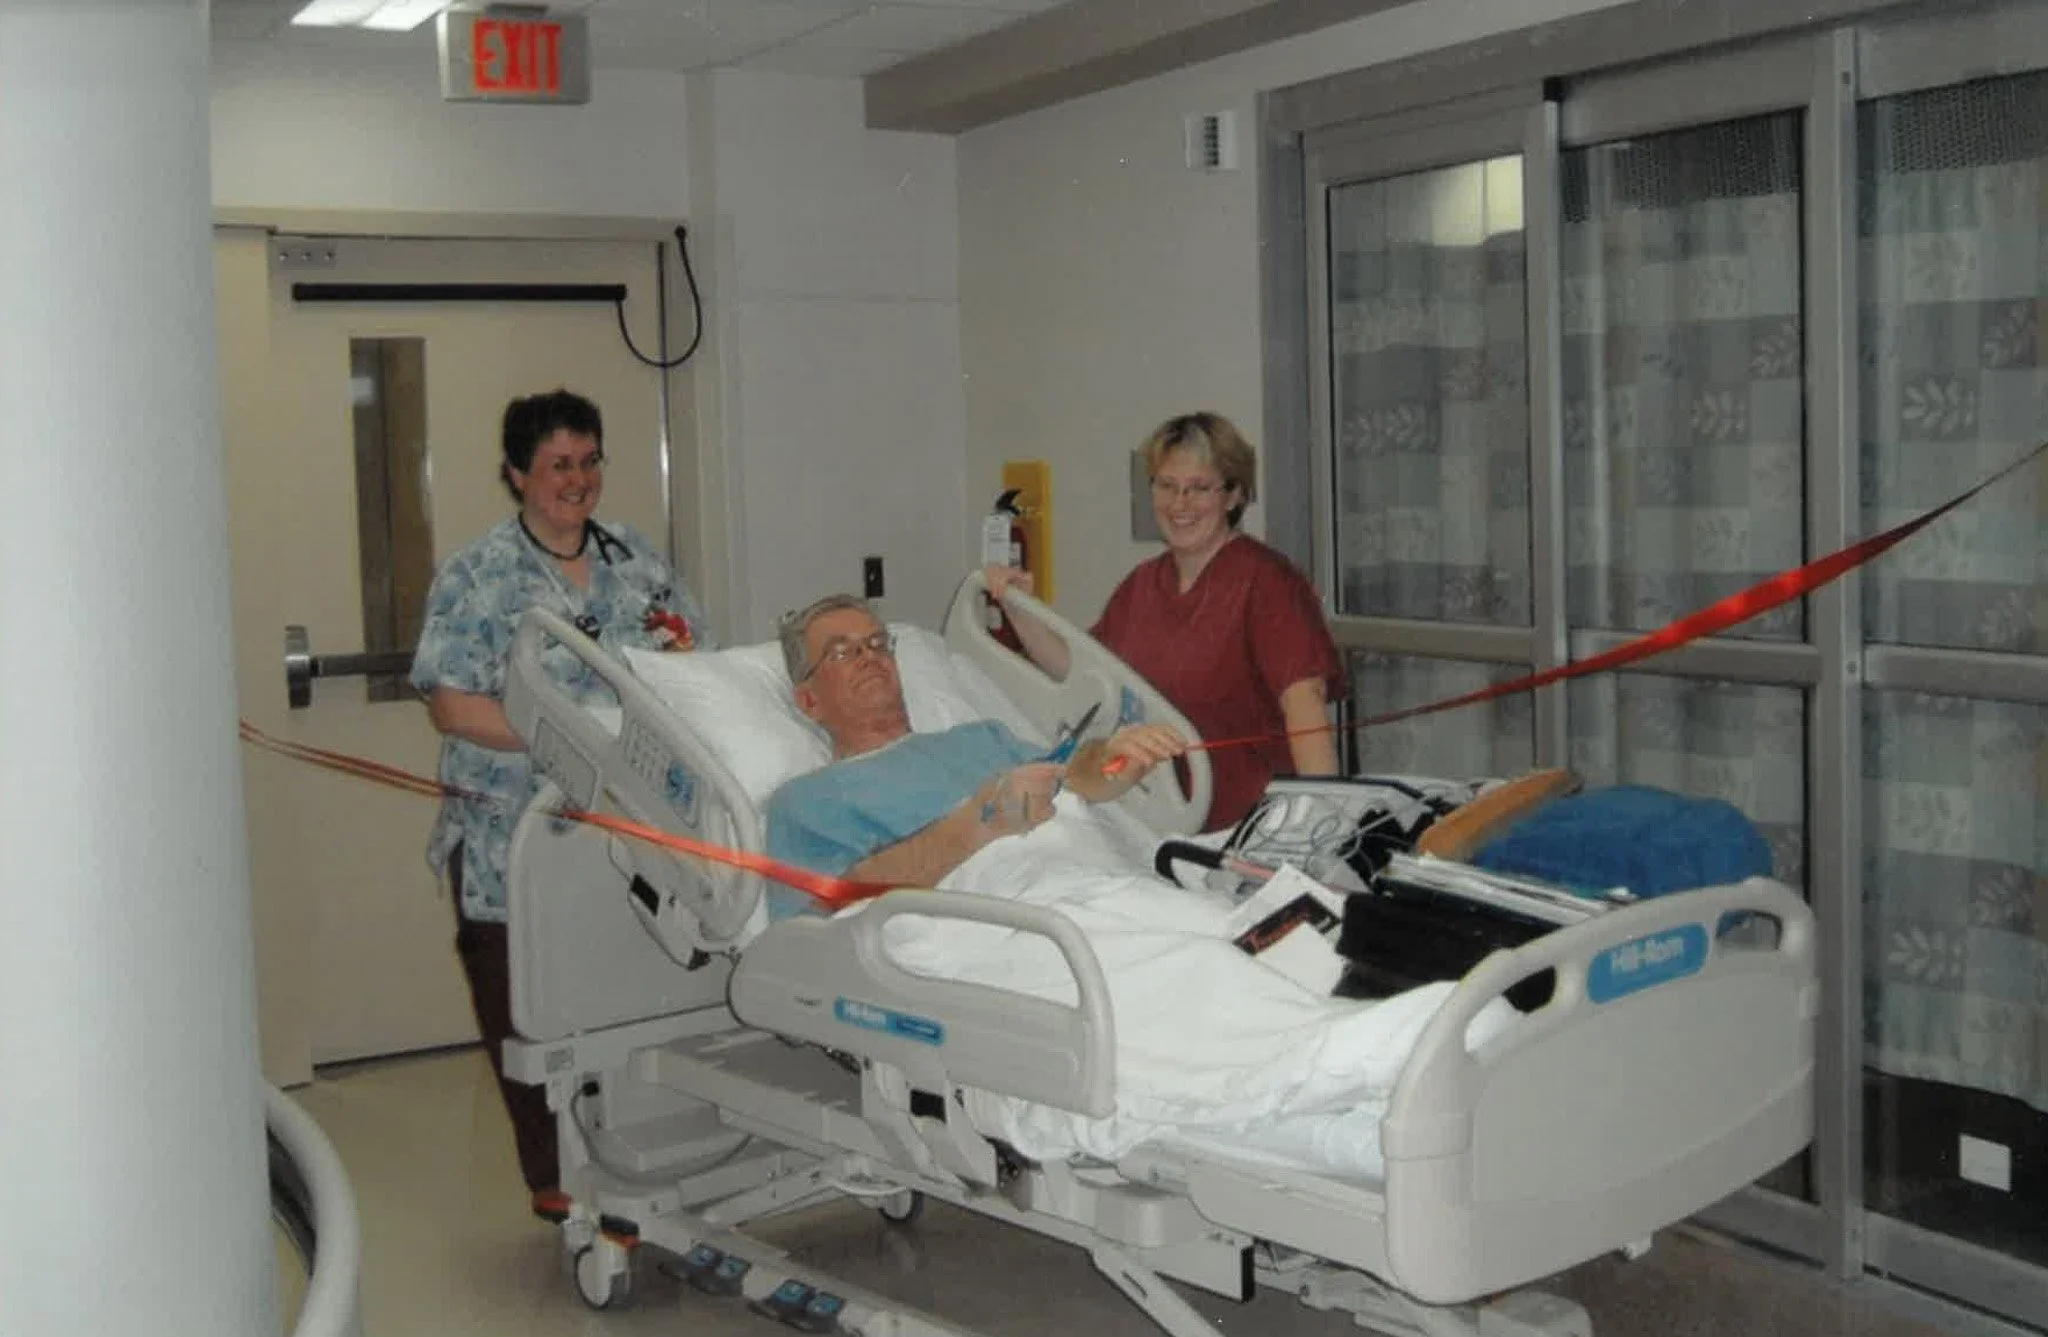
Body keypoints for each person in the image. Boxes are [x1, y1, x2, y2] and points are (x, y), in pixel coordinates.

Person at [409, 387, 713, 1213]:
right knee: (528, 1013)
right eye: (556, 466)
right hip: (514, 834)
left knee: (618, 992)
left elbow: (692, 666)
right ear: (516, 474)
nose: (576, 481)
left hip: (626, 829)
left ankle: (639, 1154)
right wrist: (569, 740)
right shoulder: (479, 575)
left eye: (589, 462)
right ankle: (555, 1180)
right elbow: (452, 704)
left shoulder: (636, 563)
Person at [987, 411, 1346, 833]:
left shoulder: (1266, 584)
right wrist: (1018, 607)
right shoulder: (1143, 586)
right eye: (1167, 486)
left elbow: (1306, 708)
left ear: (1233, 496)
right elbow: (1079, 670)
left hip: (1250, 829)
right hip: (1158, 824)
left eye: (1198, 489)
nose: (1180, 505)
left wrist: (1324, 825)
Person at [761, 594, 1187, 901]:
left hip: (1104, 882)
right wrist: (980, 822)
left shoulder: (981, 739)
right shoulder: (807, 801)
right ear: (808, 701)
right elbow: (825, 916)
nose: (868, 657)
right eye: (842, 653)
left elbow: (1071, 776)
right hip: (1025, 917)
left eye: (876, 644)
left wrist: (1115, 759)